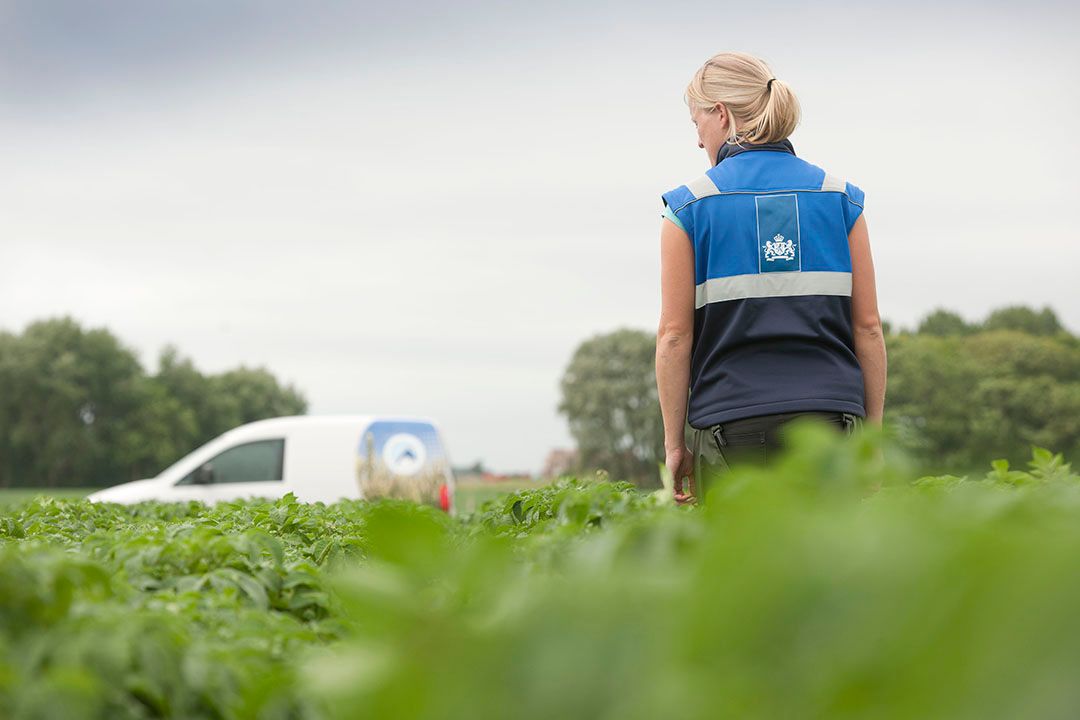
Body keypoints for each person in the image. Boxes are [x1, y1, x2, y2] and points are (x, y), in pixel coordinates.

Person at [655, 52, 887, 505]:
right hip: (831, 426)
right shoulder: (841, 199)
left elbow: (674, 337)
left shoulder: (687, 207)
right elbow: (869, 327)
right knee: (831, 566)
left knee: (747, 571)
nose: (698, 140)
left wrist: (674, 444)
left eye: (696, 122)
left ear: (720, 114)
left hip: (732, 426)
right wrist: (871, 443)